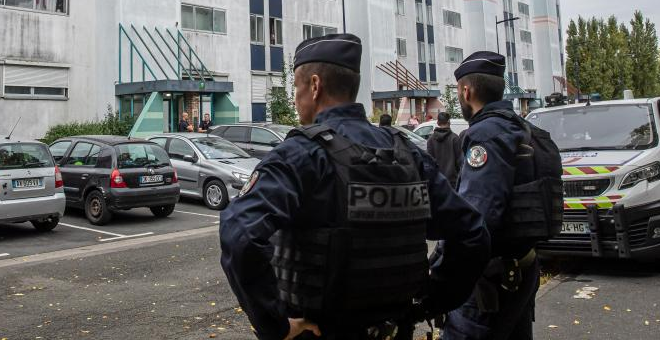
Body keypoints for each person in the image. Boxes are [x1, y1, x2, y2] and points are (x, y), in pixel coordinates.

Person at [220, 33, 491, 340]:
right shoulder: (406, 153)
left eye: (295, 87)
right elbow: (472, 233)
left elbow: (240, 234)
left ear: (314, 85)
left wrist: (276, 326)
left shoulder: (303, 154)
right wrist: (431, 300)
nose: (295, 99)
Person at [440, 51, 542, 340]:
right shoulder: (521, 128)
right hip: (522, 266)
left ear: (466, 91)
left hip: (491, 280)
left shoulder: (485, 135)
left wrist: (439, 272)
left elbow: (475, 219)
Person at [427, 112, 463, 187]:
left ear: (437, 122)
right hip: (453, 181)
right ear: (449, 122)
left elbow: (429, 162)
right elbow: (460, 161)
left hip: (437, 180)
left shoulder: (431, 140)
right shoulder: (455, 138)